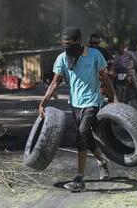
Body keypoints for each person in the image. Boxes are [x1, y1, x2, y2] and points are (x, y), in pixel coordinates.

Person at [39, 27, 118, 192]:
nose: (66, 46)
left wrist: (113, 98)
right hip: (75, 103)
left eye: (69, 43)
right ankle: (101, 161)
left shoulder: (95, 55)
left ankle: (80, 177)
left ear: (78, 41)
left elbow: (105, 78)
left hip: (92, 101)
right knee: (83, 137)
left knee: (82, 132)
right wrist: (43, 102)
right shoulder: (62, 58)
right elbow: (55, 82)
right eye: (63, 44)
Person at [114, 44, 137, 112]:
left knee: (136, 87)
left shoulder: (129, 53)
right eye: (119, 48)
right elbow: (114, 64)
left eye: (121, 47)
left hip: (129, 72)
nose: (120, 49)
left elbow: (136, 61)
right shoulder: (117, 55)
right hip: (120, 73)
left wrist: (135, 66)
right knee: (115, 86)